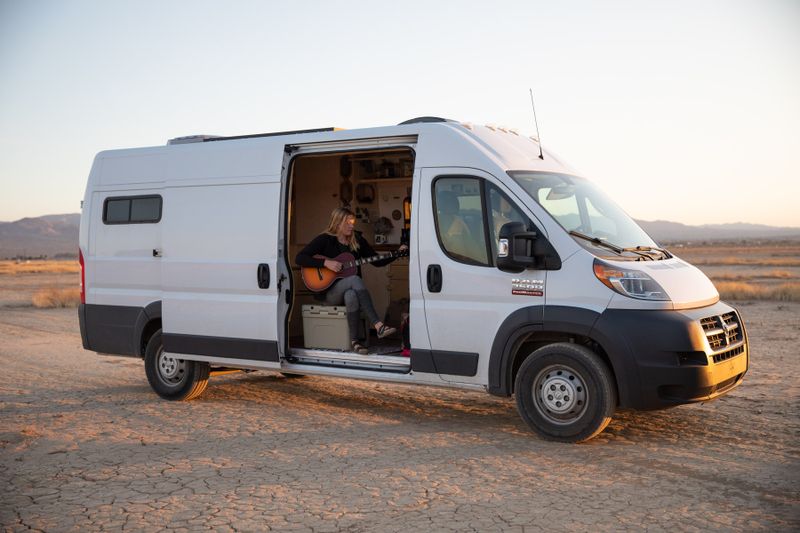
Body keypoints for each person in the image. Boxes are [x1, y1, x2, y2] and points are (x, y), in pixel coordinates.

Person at [295, 207, 407, 355]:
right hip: (329, 294)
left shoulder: (357, 240)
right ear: (337, 223)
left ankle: (355, 341)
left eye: (352, 222)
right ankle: (379, 325)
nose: (352, 225)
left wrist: (397, 253)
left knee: (351, 295)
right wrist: (325, 263)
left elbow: (377, 261)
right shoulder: (325, 239)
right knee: (354, 279)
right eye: (348, 222)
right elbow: (300, 258)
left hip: (348, 291)